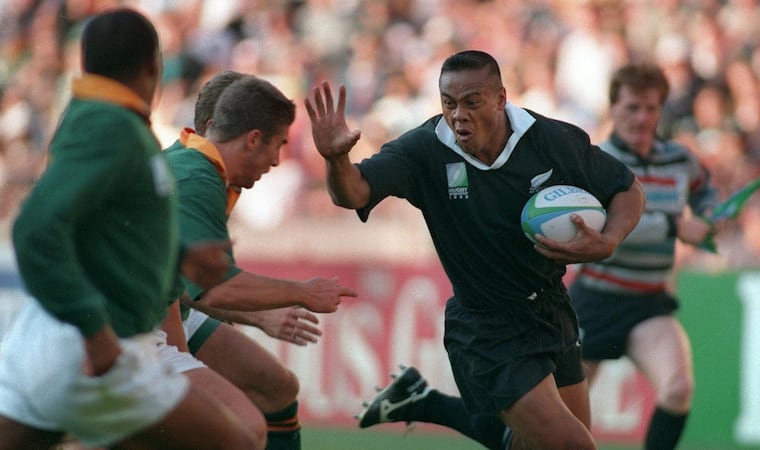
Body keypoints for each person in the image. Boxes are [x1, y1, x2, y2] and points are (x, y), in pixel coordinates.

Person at [305, 50, 646, 450]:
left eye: (472, 101)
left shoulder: (551, 140)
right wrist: (335, 158)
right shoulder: (424, 150)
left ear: (501, 99)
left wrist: (610, 239)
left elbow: (627, 189)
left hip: (552, 309)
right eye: (449, 103)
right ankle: (428, 403)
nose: (458, 114)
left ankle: (426, 403)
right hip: (487, 329)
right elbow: (353, 192)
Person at [0, 8, 261, 450]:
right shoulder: (112, 127)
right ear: (153, 68)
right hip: (96, 349)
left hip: (41, 344)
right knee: (238, 441)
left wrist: (179, 257)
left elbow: (101, 229)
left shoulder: (98, 118)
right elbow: (33, 231)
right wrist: (94, 330)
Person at [164, 72, 359, 450]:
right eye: (277, 146)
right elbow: (216, 291)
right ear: (252, 138)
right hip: (127, 328)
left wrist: (258, 314)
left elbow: (187, 284)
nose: (276, 161)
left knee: (276, 386)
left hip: (164, 312)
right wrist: (303, 293)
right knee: (244, 428)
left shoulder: (197, 170)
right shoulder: (196, 179)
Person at [569, 62, 719, 450]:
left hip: (649, 301)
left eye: (651, 108)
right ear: (613, 109)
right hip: (595, 302)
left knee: (677, 389)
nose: (642, 117)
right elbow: (608, 226)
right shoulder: (596, 161)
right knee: (564, 420)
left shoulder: (679, 159)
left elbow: (706, 190)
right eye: (632, 107)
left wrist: (708, 218)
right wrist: (675, 226)